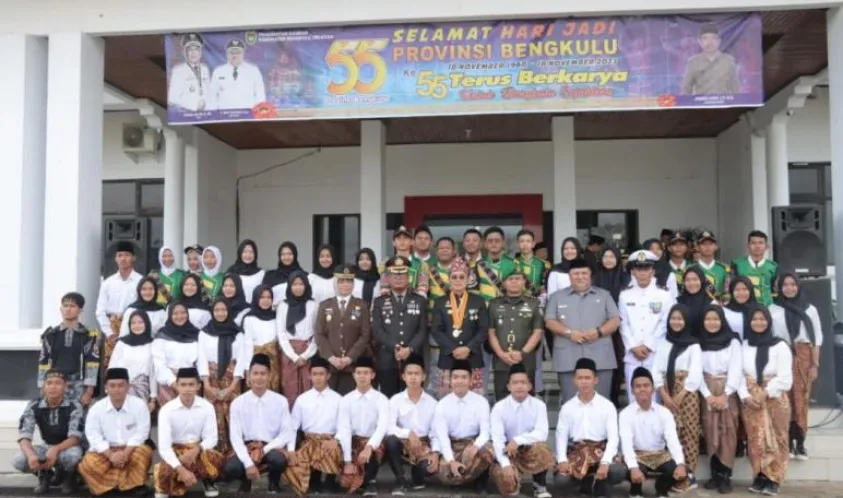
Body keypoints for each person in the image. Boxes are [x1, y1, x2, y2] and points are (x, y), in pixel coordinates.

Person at [545, 259, 621, 401]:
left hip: (600, 356)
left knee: (601, 403)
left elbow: (615, 320)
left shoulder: (604, 295)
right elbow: (549, 322)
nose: (580, 277)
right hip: (568, 357)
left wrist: (598, 332)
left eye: (584, 273)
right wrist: (569, 333)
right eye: (576, 274)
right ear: (569, 276)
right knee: (571, 402)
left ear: (590, 275)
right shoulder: (557, 297)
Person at [739, 305, 792, 496]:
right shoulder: (745, 345)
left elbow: (785, 378)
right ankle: (760, 476)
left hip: (775, 399)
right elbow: (739, 374)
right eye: (755, 319)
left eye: (762, 319)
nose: (758, 322)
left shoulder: (780, 346)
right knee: (756, 439)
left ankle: (774, 479)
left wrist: (765, 393)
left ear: (768, 321)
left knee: (777, 438)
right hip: (751, 400)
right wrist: (745, 396)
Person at [554, 358, 625, 498]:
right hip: (577, 451)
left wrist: (605, 462)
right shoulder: (567, 407)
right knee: (561, 481)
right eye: (580, 378)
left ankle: (596, 483)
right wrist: (562, 459)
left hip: (600, 449)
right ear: (574, 380)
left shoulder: (607, 406)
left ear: (595, 380)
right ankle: (590, 481)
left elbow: (613, 437)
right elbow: (561, 436)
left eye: (588, 378)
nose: (584, 382)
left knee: (617, 471)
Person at [770, 273, 822, 461]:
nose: (789, 288)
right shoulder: (773, 309)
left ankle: (800, 442)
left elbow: (817, 338)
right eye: (785, 284)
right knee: (784, 399)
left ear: (798, 286)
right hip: (782, 355)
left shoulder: (810, 309)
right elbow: (770, 336)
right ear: (779, 288)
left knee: (801, 399)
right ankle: (787, 441)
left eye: (793, 284)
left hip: (803, 356)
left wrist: (814, 364)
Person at [224, 354, 294, 493]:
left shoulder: (280, 401)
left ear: (269, 376)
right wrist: (248, 463)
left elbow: (286, 433)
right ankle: (246, 479)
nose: (259, 377)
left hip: (271, 447)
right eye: (255, 373)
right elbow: (235, 437)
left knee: (279, 460)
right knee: (230, 468)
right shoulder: (238, 403)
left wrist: (263, 450)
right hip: (248, 447)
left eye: (263, 373)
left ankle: (274, 481)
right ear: (248, 376)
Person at [78, 368, 153, 496]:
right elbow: (93, 435)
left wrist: (125, 453)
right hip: (106, 451)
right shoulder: (96, 408)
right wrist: (110, 455)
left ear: (128, 386)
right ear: (106, 387)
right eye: (112, 385)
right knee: (88, 463)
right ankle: (114, 487)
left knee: (144, 453)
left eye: (121, 385)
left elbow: (142, 432)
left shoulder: (139, 405)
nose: (117, 389)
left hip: (131, 449)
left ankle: (132, 486)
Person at [652, 304, 702, 491]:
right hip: (666, 391)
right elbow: (656, 369)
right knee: (671, 432)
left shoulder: (693, 344)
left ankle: (689, 475)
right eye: (673, 318)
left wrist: (682, 393)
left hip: (687, 393)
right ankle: (674, 473)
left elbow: (695, 371)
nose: (676, 322)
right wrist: (663, 393)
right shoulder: (664, 342)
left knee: (688, 432)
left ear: (686, 321)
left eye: (680, 319)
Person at [154, 367, 224, 498]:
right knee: (164, 472)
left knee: (215, 458)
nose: (187, 389)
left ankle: (208, 481)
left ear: (198, 386)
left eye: (191, 384)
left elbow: (212, 438)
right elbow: (164, 447)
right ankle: (170, 485)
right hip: (176, 452)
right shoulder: (166, 410)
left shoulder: (207, 407)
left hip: (198, 451)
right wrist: (180, 469)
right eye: (183, 385)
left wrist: (196, 450)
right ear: (177, 386)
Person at [619, 367, 688, 498]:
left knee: (677, 469)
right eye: (638, 386)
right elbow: (626, 444)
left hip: (660, 455)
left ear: (653, 388)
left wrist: (680, 463)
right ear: (632, 390)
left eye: (646, 385)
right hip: (638, 455)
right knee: (628, 468)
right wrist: (633, 467)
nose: (642, 389)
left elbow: (672, 440)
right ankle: (635, 491)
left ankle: (661, 490)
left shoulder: (664, 412)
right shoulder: (625, 414)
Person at [13, 371, 84, 495]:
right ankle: (44, 475)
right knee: (19, 460)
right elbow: (24, 435)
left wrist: (56, 449)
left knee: (73, 457)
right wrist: (31, 455)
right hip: (46, 445)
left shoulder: (74, 405)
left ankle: (67, 476)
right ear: (44, 386)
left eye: (58, 383)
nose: (53, 387)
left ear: (65, 386)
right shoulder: (34, 405)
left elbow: (75, 438)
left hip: (68, 446)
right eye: (49, 383)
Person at [489, 364, 554, 498]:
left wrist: (517, 440)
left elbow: (542, 433)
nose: (519, 386)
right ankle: (513, 481)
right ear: (509, 386)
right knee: (508, 487)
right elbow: (497, 439)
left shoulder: (539, 405)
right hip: (507, 450)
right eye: (515, 383)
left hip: (529, 448)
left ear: (529, 386)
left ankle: (539, 487)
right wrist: (505, 465)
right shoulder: (499, 407)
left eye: (523, 382)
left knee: (543, 449)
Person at [618, 250, 675, 398]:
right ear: (633, 272)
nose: (642, 273)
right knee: (633, 398)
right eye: (639, 269)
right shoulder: (624, 295)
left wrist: (649, 345)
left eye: (646, 268)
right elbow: (623, 324)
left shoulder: (664, 294)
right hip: (632, 355)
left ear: (653, 271)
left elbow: (665, 323)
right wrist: (633, 346)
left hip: (655, 354)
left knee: (655, 399)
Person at [698, 305, 742, 493]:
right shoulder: (698, 343)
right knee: (710, 430)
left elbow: (736, 369)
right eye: (708, 319)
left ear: (722, 321)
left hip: (727, 390)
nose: (712, 323)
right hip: (706, 391)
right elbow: (696, 371)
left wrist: (726, 394)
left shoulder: (733, 342)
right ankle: (715, 474)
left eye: (716, 319)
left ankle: (726, 475)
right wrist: (708, 395)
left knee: (728, 430)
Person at [433, 359, 495, 493]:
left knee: (489, 450)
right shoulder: (442, 404)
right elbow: (442, 437)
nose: (459, 381)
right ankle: (464, 475)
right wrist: (451, 461)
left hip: (473, 442)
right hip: (453, 444)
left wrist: (475, 446)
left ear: (471, 380)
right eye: (455, 377)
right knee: (445, 475)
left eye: (464, 377)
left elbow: (485, 432)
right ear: (450, 380)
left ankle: (481, 481)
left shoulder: (481, 402)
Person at [285, 357, 343, 495]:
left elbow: (345, 426)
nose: (318, 378)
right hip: (309, 441)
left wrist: (336, 440)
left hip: (330, 441)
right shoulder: (302, 399)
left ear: (328, 376)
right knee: (297, 460)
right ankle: (313, 479)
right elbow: (292, 427)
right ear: (309, 376)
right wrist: (291, 450)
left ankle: (330, 480)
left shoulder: (339, 399)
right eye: (314, 374)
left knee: (331, 450)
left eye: (321, 374)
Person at [431, 258, 489, 398]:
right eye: (454, 277)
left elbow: (483, 329)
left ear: (468, 279)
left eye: (462, 277)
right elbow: (436, 330)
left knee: (473, 400)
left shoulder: (478, 301)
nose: (458, 280)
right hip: (448, 357)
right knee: (447, 400)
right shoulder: (440, 302)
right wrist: (453, 349)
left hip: (472, 356)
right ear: (449, 279)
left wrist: (468, 348)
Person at [372, 256, 428, 397]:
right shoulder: (379, 301)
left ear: (409, 277)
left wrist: (409, 349)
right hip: (387, 359)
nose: (398, 278)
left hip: (413, 358)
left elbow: (422, 330)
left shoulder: (419, 301)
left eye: (402, 274)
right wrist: (396, 346)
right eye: (394, 275)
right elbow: (377, 330)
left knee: (413, 398)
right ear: (388, 279)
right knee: (388, 398)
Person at [384, 354, 439, 494]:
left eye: (417, 374)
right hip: (403, 442)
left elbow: (436, 432)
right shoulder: (395, 400)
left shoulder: (433, 403)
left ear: (424, 377)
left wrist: (435, 453)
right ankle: (400, 480)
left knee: (428, 468)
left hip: (423, 444)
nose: (413, 377)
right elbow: (388, 426)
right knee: (390, 441)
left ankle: (418, 475)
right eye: (409, 374)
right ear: (403, 376)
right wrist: (407, 433)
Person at [198, 297, 246, 456]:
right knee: (213, 415)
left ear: (228, 311)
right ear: (212, 312)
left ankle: (235, 454)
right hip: (211, 380)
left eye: (223, 310)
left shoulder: (237, 333)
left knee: (233, 415)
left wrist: (232, 386)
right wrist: (206, 385)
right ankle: (216, 455)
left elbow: (241, 359)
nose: (220, 313)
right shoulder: (204, 332)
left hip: (232, 379)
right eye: (217, 310)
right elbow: (202, 357)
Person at [336, 356, 390, 496]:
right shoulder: (346, 400)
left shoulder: (381, 399)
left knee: (377, 448)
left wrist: (369, 447)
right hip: (353, 442)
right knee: (346, 483)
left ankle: (370, 481)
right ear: (354, 375)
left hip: (373, 443)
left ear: (372, 375)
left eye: (366, 373)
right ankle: (354, 477)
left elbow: (382, 427)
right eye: (359, 373)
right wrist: (348, 461)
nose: (362, 376)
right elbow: (345, 430)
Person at [315, 264, 373, 394]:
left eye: (349, 281)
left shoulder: (362, 305)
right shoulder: (325, 305)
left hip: (352, 366)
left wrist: (349, 358)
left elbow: (365, 335)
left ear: (353, 284)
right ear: (336, 283)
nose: (345, 285)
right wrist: (331, 357)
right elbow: (319, 334)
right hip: (329, 367)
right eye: (341, 281)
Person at [488, 271, 544, 401]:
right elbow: (491, 332)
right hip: (501, 361)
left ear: (524, 282)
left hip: (526, 360)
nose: (514, 281)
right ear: (503, 283)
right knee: (501, 400)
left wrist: (522, 353)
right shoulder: (494, 304)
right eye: (510, 279)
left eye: (518, 278)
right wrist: (501, 354)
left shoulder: (534, 303)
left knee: (527, 399)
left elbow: (538, 332)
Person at [38, 292, 99, 405]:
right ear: (61, 309)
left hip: (78, 384)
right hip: (55, 384)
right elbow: (43, 362)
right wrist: (42, 386)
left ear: (80, 310)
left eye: (72, 306)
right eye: (65, 306)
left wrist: (89, 391)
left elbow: (92, 363)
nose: (68, 309)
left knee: (78, 413)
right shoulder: (51, 334)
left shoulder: (87, 335)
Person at [97, 240, 143, 378]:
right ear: (115, 258)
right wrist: (109, 333)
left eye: (127, 255)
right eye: (120, 255)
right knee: (112, 369)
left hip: (134, 327)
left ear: (133, 258)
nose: (123, 259)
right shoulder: (108, 283)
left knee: (133, 366)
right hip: (112, 329)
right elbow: (100, 311)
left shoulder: (141, 281)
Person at [592, 247, 630, 406]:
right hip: (599, 328)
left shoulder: (626, 278)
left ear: (618, 259)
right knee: (600, 364)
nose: (608, 260)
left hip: (620, 329)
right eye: (605, 256)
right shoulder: (594, 278)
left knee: (618, 363)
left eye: (612, 256)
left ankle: (614, 397)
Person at [276, 272, 319, 405]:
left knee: (309, 389)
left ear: (306, 286)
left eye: (301, 284)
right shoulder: (283, 305)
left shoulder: (313, 304)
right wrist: (294, 357)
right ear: (289, 286)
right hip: (288, 354)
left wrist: (305, 356)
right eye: (294, 284)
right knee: (289, 390)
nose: (298, 287)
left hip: (308, 353)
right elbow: (281, 333)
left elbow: (317, 333)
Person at [151, 302, 200, 404]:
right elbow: (159, 365)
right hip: (168, 384)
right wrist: (175, 383)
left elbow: (200, 362)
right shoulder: (162, 336)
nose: (179, 316)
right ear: (169, 315)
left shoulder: (196, 334)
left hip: (191, 383)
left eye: (183, 312)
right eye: (175, 313)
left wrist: (188, 385)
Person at [425, 237, 457, 395]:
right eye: (441, 248)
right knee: (435, 362)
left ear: (454, 251)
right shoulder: (428, 270)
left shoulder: (461, 270)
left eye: (447, 248)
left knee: (456, 360)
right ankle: (435, 394)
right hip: (435, 323)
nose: (444, 251)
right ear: (436, 251)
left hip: (457, 323)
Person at [110, 310, 158, 407]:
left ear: (147, 323)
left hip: (142, 390)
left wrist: (153, 399)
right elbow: (112, 367)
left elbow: (153, 372)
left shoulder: (153, 344)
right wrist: (110, 390)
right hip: (120, 389)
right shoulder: (122, 343)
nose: (137, 326)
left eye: (140, 322)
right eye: (133, 323)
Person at [681, 22, 740, 95]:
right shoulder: (693, 62)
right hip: (701, 102)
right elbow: (686, 90)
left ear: (719, 41)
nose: (709, 42)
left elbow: (736, 89)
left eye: (713, 38)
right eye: (705, 38)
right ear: (699, 41)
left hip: (723, 102)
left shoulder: (729, 61)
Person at [241, 285, 281, 392]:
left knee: (272, 393)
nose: (266, 300)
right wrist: (247, 369)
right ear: (256, 298)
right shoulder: (249, 318)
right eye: (262, 297)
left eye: (269, 297)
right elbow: (248, 344)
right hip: (255, 362)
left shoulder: (277, 317)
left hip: (273, 362)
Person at [208, 39, 266, 110]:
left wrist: (259, 113)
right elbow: (212, 97)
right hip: (224, 114)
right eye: (232, 52)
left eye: (238, 52)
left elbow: (260, 95)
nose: (235, 55)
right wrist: (213, 114)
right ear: (227, 54)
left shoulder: (253, 70)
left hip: (248, 114)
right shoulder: (218, 72)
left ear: (243, 53)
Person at [730, 230, 779, 306]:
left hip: (767, 308)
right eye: (753, 243)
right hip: (743, 307)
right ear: (748, 246)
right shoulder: (737, 264)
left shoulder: (773, 266)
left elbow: (776, 290)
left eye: (760, 243)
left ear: (766, 246)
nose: (757, 246)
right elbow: (730, 288)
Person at [380, 226, 430, 296]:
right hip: (392, 301)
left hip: (414, 301)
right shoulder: (386, 264)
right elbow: (384, 289)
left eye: (405, 238)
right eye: (398, 238)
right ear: (393, 242)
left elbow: (422, 290)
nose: (402, 241)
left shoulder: (421, 264)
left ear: (412, 242)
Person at [167, 33, 211, 111]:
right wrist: (194, 105)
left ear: (201, 52)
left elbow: (208, 92)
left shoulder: (205, 69)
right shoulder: (178, 71)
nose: (193, 53)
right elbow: (172, 98)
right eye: (190, 49)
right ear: (185, 52)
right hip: (187, 112)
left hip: (206, 112)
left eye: (196, 49)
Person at [689, 231, 731, 302]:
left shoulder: (725, 269)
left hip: (720, 306)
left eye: (711, 244)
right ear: (697, 247)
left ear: (716, 246)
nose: (707, 247)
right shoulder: (690, 269)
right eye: (704, 244)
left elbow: (728, 292)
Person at [262, 241, 306, 307]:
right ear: (279, 256)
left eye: (289, 254)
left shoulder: (304, 276)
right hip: (275, 312)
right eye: (283, 254)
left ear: (295, 255)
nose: (286, 257)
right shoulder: (269, 276)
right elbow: (263, 297)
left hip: (299, 312)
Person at [677, 266, 716, 338]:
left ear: (702, 280)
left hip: (706, 341)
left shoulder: (711, 303)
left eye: (695, 279)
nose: (691, 283)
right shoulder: (677, 302)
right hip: (682, 341)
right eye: (687, 280)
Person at [723, 276, 758, 340]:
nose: (741, 293)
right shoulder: (724, 311)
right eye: (737, 290)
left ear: (750, 291)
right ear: (731, 292)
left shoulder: (759, 311)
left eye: (745, 289)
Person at [462, 227, 484, 292]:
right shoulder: (457, 262)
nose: (470, 243)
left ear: (481, 244)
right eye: (467, 240)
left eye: (475, 240)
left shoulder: (488, 262)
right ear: (463, 244)